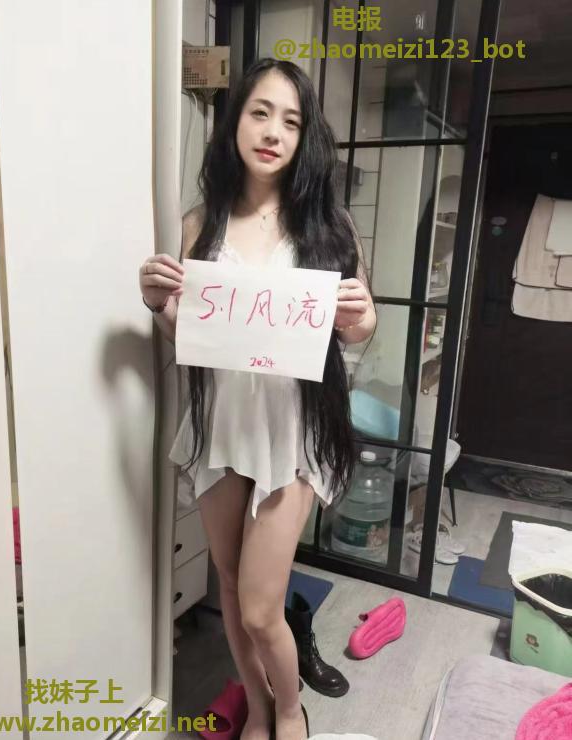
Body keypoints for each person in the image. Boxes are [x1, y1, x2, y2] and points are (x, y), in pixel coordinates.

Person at [139, 58, 376, 740]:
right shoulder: (199, 226)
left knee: (259, 608)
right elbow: (190, 331)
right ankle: (259, 706)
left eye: (291, 122)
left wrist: (360, 313)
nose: (273, 132)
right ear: (236, 121)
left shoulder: (330, 226)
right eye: (260, 113)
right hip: (220, 425)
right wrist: (158, 303)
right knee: (228, 579)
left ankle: (291, 709)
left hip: (292, 433)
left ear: (305, 139)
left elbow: (357, 328)